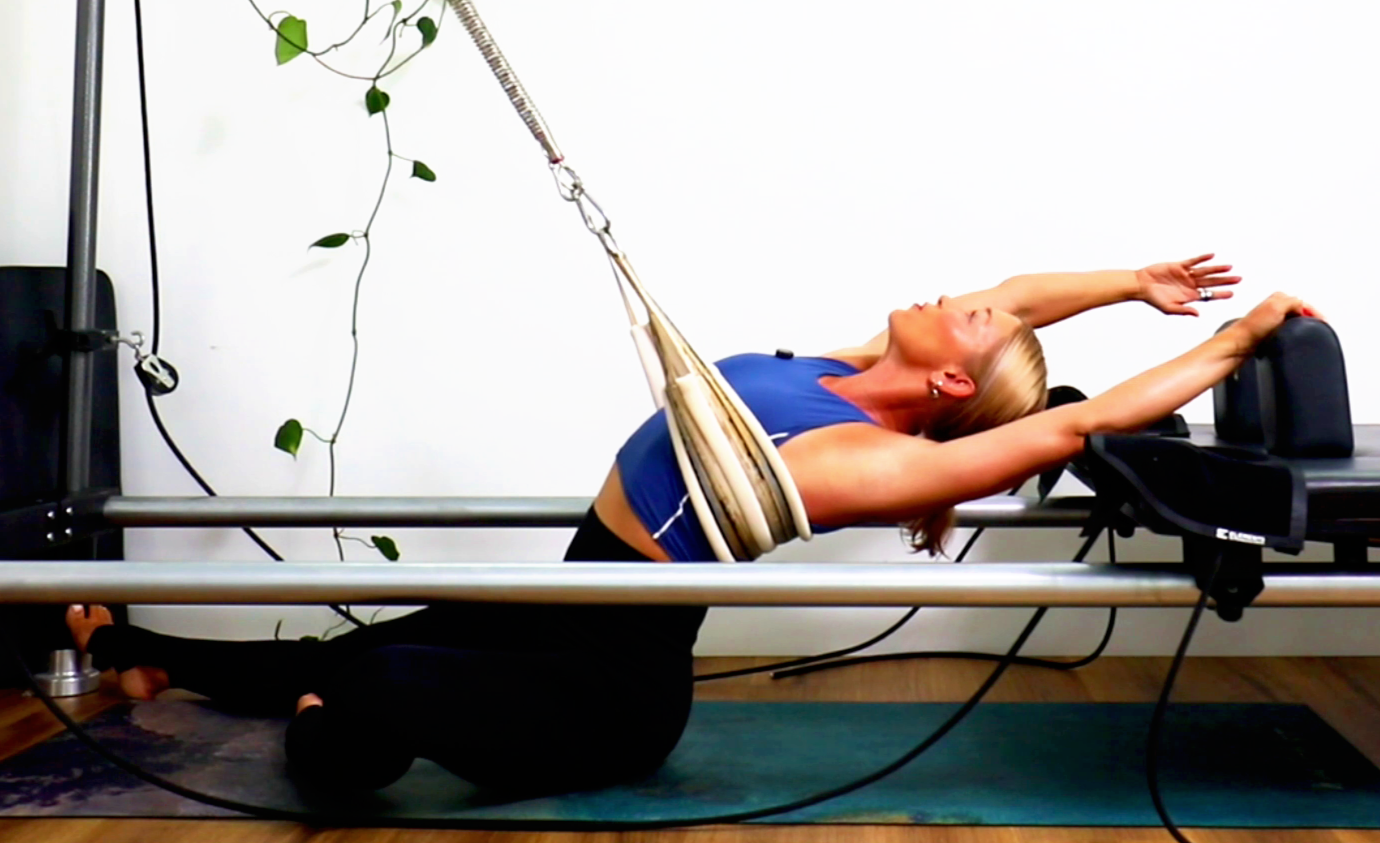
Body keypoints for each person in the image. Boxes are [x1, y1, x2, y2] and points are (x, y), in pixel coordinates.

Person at [66, 253, 1320, 795]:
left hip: (609, 694)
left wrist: (1235, 340)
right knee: (353, 646)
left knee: (371, 685)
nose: (972, 294)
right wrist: (1135, 282)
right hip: (573, 606)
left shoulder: (865, 458)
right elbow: (1018, 298)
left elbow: (1060, 428)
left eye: (976, 321)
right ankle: (134, 652)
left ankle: (327, 731)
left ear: (949, 381)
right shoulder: (838, 371)